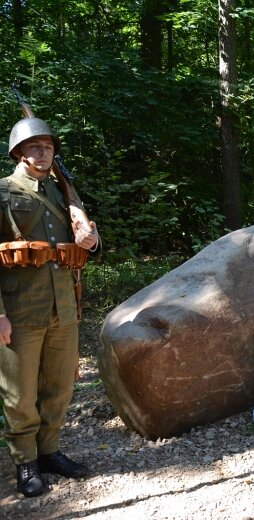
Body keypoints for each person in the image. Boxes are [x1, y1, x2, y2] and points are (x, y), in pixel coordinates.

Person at [0, 117, 100, 497]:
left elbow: (83, 244)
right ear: (19, 153)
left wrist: (90, 239)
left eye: (48, 147)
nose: (43, 153)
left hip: (63, 306)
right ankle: (25, 462)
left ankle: (49, 452)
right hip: (20, 308)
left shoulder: (62, 193)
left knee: (58, 387)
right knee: (20, 392)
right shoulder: (3, 192)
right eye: (34, 147)